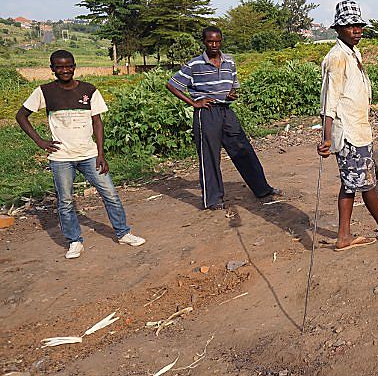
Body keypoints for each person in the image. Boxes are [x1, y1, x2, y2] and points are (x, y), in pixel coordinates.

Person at [15, 50, 146, 259]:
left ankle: (123, 233)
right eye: (59, 67)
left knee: (110, 194)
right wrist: (39, 141)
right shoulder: (44, 91)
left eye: (68, 66)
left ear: (75, 66)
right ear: (52, 69)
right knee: (65, 201)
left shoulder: (89, 90)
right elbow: (21, 116)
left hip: (89, 154)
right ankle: (74, 241)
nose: (65, 70)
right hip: (61, 157)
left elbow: (97, 122)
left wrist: (101, 153)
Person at [317, 0, 378, 251]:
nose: (357, 30)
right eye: (350, 26)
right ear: (338, 29)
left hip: (358, 130)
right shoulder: (337, 57)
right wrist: (326, 138)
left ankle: (345, 236)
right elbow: (329, 102)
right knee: (365, 182)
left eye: (359, 25)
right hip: (348, 133)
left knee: (351, 184)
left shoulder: (352, 52)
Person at [166, 26, 281, 210]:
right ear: (204, 42)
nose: (214, 44)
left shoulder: (229, 61)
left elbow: (234, 85)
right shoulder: (194, 64)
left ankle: (262, 189)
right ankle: (213, 200)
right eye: (210, 41)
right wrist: (194, 103)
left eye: (217, 41)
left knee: (243, 149)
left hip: (226, 111)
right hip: (207, 112)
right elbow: (172, 85)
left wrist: (232, 94)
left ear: (221, 41)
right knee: (210, 157)